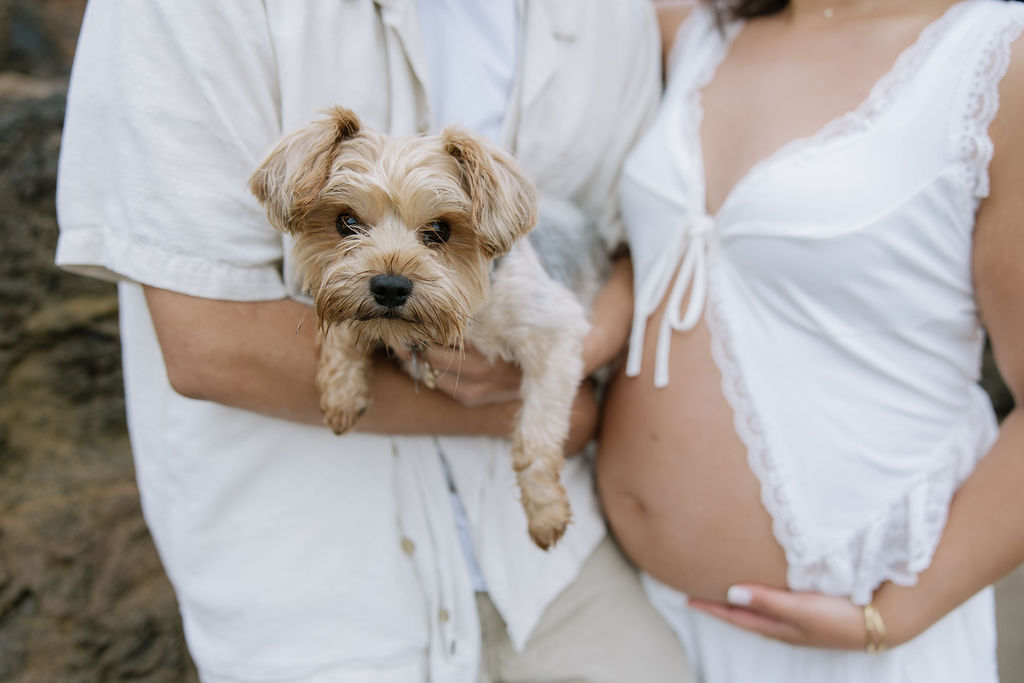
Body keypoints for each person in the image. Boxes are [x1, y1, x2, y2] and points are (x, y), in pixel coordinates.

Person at [55, 1, 696, 681]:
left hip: (555, 568)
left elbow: (639, 243)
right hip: (316, 574)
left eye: (436, 233)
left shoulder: (615, 17)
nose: (389, 265)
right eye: (349, 224)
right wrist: (552, 411)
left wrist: (579, 357)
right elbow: (207, 343)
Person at [595, 0, 1024, 680]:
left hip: (850, 634)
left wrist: (894, 617)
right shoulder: (702, 28)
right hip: (639, 615)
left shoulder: (994, 62)